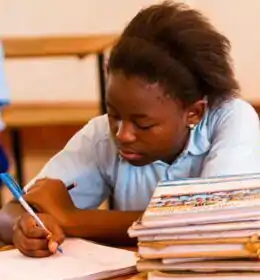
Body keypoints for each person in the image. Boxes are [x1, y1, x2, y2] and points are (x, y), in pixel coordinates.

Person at [0, 1, 260, 257]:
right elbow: (13, 211)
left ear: (194, 112)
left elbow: (208, 224)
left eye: (143, 124)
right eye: (113, 114)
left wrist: (72, 219)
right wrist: (24, 228)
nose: (122, 134)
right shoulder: (102, 135)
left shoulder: (233, 120)